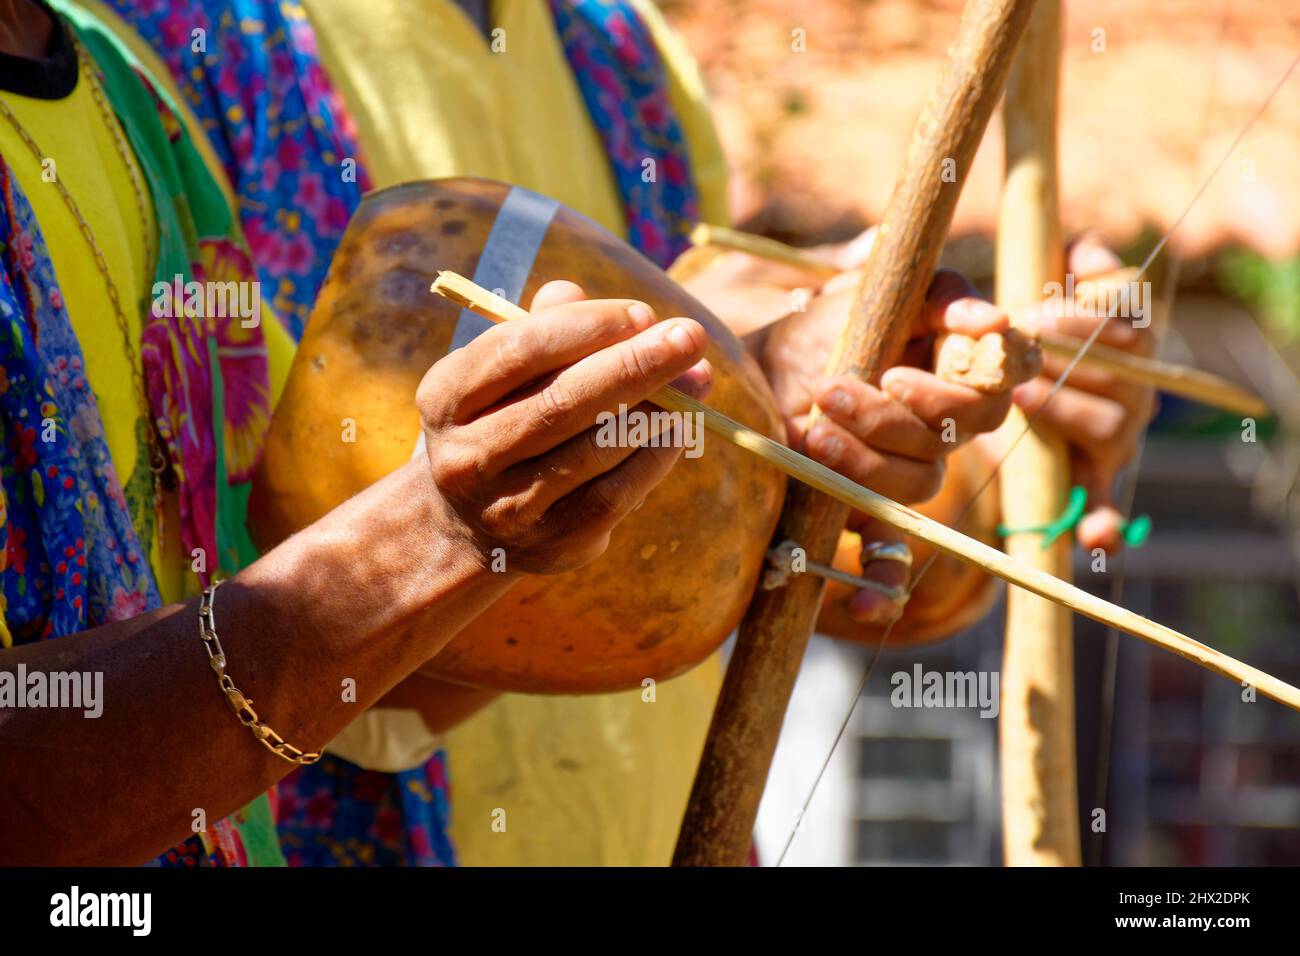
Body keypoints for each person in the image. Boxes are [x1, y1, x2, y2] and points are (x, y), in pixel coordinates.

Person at [86, 0, 1155, 865]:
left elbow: (752, 550)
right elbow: (218, 642)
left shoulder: (622, 55)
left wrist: (988, 458)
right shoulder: (155, 55)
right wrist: (738, 395)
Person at [0, 0, 718, 865]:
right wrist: (437, 527)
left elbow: (354, 698)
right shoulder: (182, 41)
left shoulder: (124, 91)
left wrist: (541, 502)